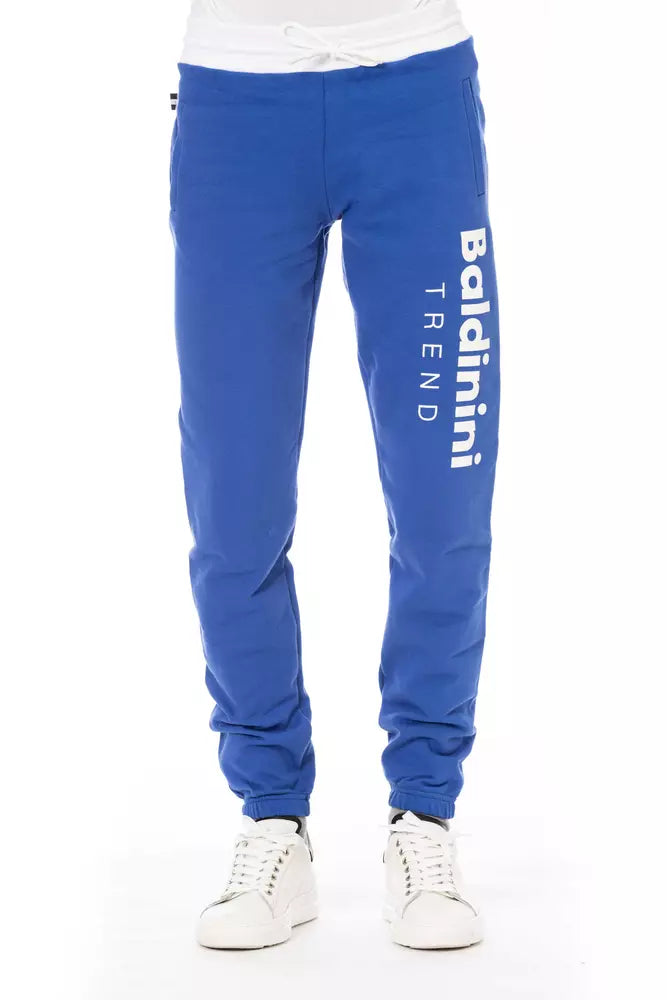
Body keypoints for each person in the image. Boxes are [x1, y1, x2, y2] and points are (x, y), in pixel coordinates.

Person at [170, 0, 499, 950]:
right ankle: (273, 819)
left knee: (443, 496)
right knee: (234, 503)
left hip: (414, 89)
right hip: (236, 99)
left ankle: (424, 812)